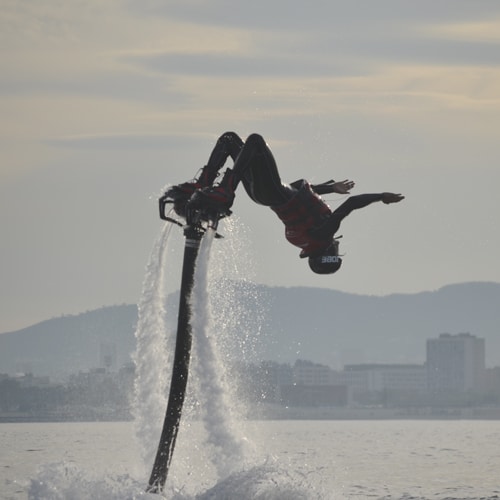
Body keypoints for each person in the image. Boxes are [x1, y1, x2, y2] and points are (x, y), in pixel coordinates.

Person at [159, 131, 404, 274]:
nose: (337, 247)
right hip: (265, 195)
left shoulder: (324, 233)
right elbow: (301, 198)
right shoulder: (308, 236)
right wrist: (330, 187)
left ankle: (223, 190)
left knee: (255, 141)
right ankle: (205, 184)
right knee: (230, 140)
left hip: (272, 191)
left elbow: (352, 205)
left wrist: (381, 197)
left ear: (327, 253)